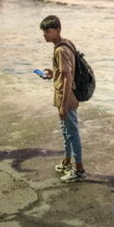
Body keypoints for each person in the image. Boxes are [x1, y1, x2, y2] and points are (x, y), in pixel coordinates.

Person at [39, 15, 85, 182]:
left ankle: (79, 168)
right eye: (43, 31)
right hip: (66, 96)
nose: (44, 34)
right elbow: (65, 72)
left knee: (71, 133)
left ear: (58, 30)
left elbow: (67, 78)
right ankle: (67, 161)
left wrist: (63, 105)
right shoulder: (66, 43)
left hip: (67, 98)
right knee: (66, 132)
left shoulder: (60, 49)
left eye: (48, 31)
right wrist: (52, 74)